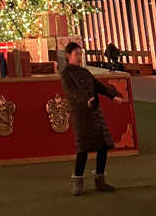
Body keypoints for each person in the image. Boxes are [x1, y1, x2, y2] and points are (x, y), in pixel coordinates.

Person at [60, 41, 125, 195]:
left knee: (103, 146)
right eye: (76, 54)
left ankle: (100, 180)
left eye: (80, 54)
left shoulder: (86, 72)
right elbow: (71, 93)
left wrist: (113, 95)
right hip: (81, 114)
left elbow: (99, 86)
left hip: (95, 113)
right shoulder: (66, 74)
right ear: (68, 56)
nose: (79, 57)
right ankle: (77, 181)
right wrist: (85, 100)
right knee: (83, 149)